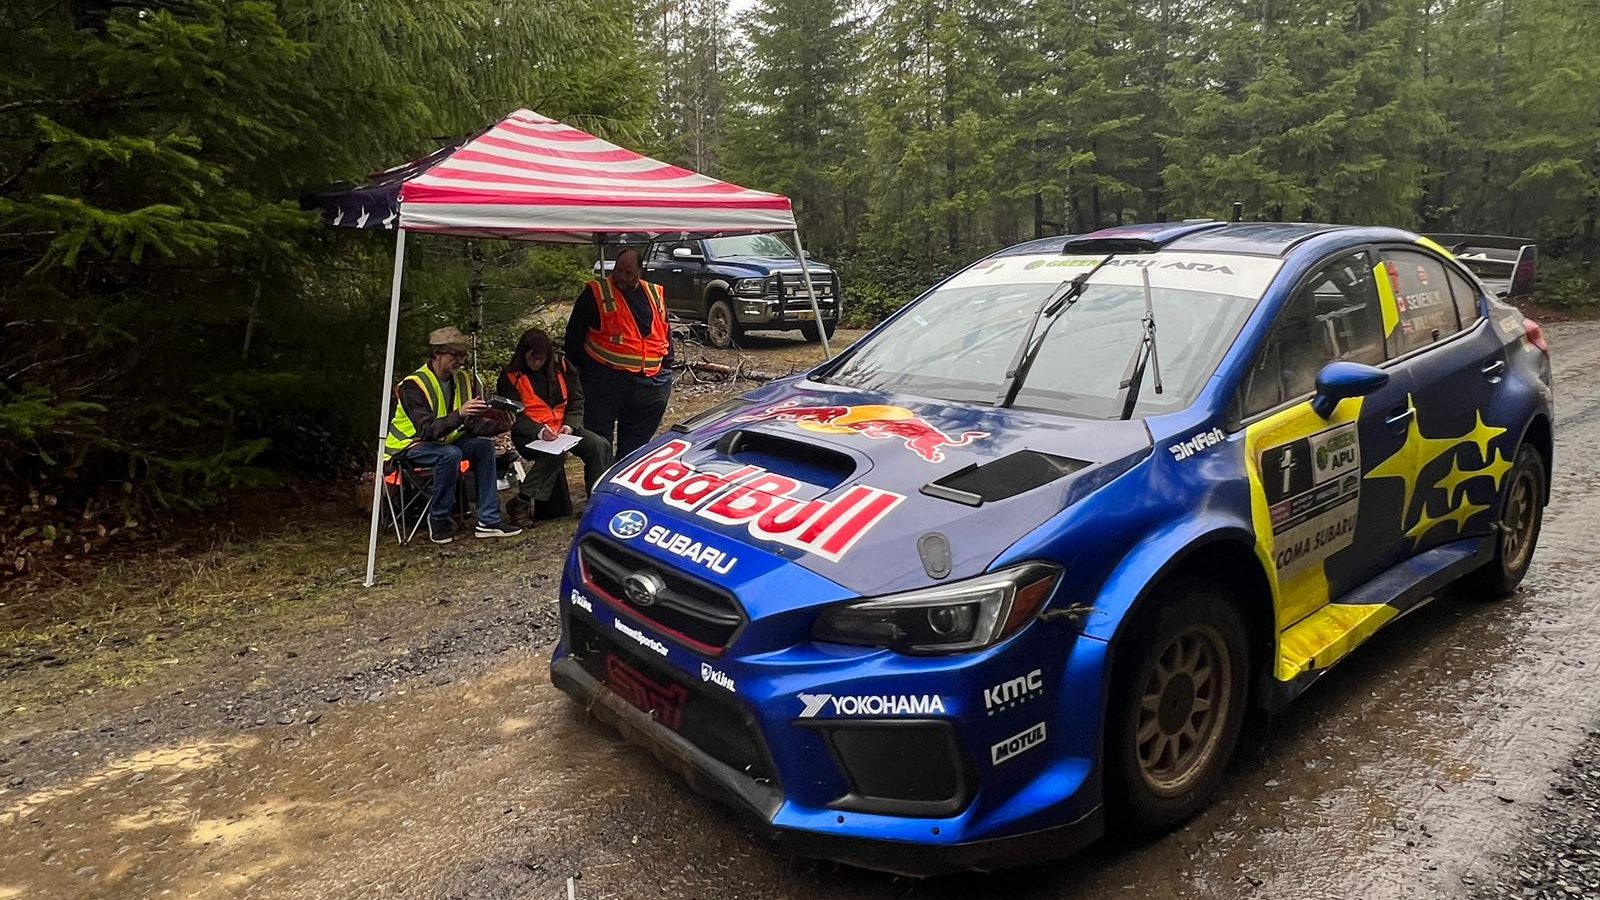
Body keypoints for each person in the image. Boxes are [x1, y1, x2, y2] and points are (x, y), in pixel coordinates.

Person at [385, 326, 522, 544]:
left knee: (483, 447)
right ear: (436, 354)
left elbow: (471, 426)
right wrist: (460, 413)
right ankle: (438, 518)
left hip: (446, 441)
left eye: (462, 355)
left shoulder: (463, 380)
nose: (460, 361)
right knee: (450, 454)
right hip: (409, 445)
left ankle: (488, 520)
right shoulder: (412, 385)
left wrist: (501, 425)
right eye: (454, 355)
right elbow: (427, 430)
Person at [563, 246, 674, 458]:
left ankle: (622, 473)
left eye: (628, 272)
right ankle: (601, 477)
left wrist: (667, 365)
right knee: (600, 444)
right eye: (618, 270)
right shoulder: (596, 293)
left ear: (640, 272)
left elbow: (664, 330)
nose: (621, 276)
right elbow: (574, 338)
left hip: (650, 383)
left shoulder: (654, 293)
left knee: (635, 449)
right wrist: (579, 373)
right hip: (606, 381)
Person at [498, 327, 612, 523]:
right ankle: (521, 502)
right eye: (532, 358)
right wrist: (540, 431)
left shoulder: (563, 367)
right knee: (554, 454)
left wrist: (570, 425)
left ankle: (596, 502)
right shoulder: (510, 376)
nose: (536, 363)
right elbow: (514, 417)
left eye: (540, 359)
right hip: (529, 434)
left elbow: (576, 401)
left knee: (598, 446)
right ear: (523, 354)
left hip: (564, 430)